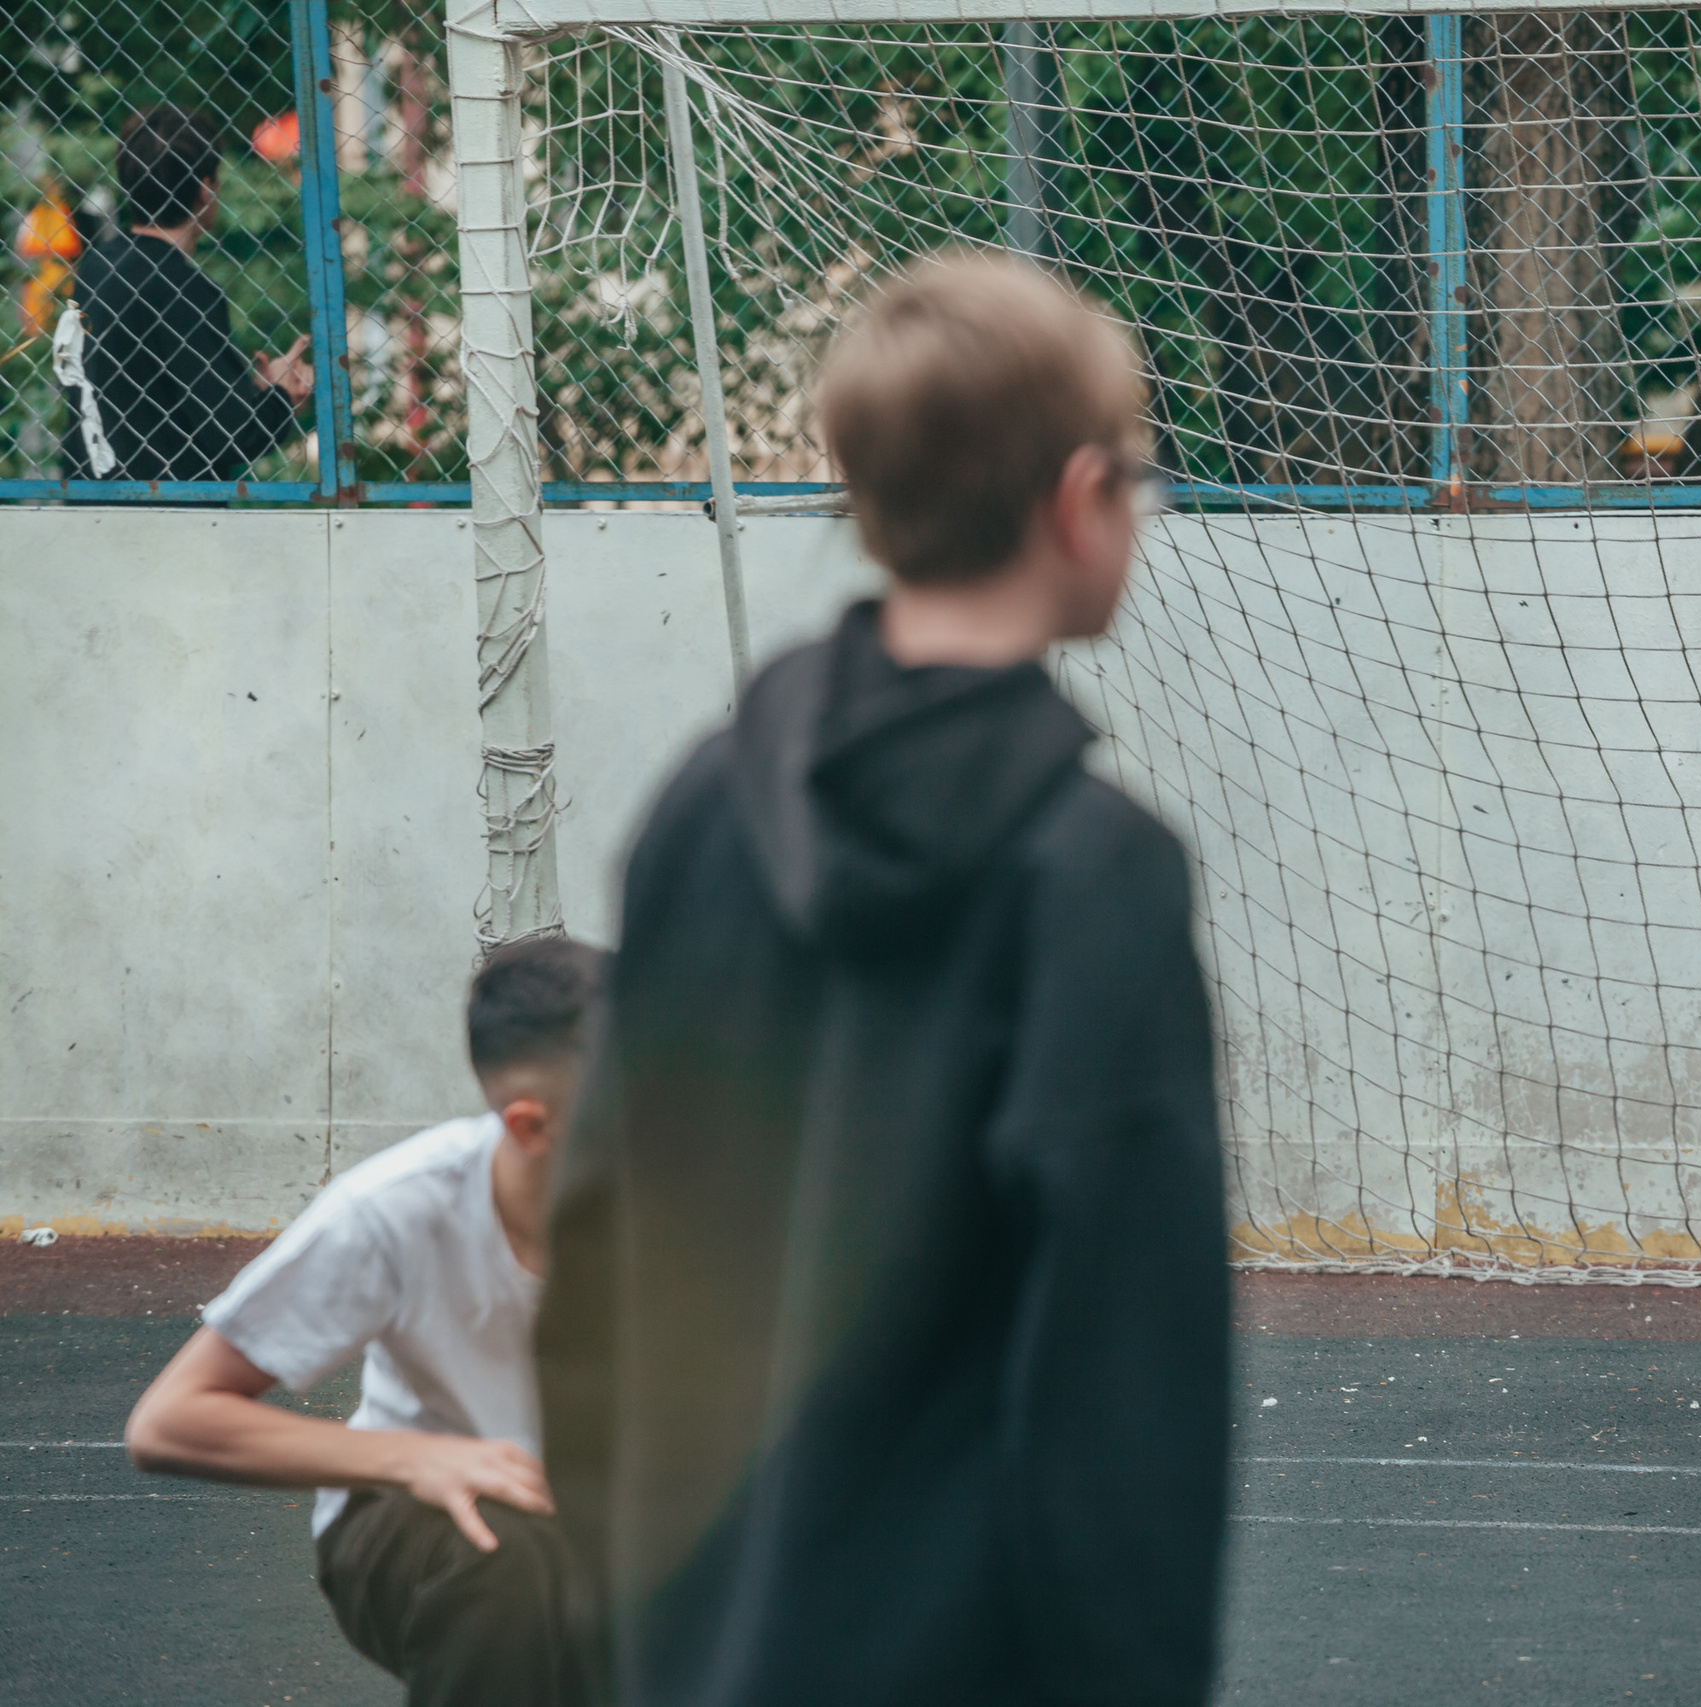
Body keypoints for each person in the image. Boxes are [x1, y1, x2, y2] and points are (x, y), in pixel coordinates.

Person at [536, 252, 1230, 1707]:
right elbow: (1123, 1385)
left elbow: (596, 1254)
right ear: (1073, 499)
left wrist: (631, 1622)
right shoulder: (1094, 871)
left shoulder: (700, 807)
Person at [125, 938, 608, 1706]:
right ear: (530, 1125)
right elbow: (169, 1422)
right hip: (416, 1520)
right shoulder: (394, 1211)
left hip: (604, 1515)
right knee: (507, 1557)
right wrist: (416, 1458)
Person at [60, 107, 313, 484]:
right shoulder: (185, 289)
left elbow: (149, 392)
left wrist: (247, 393)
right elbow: (234, 434)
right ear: (206, 190)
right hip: (170, 516)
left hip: (93, 499)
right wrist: (280, 396)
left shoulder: (98, 267)